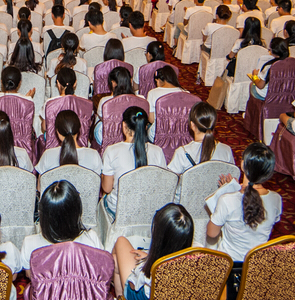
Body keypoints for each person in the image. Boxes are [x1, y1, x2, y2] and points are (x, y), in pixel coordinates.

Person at [207, 143, 282, 298]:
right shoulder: (276, 199)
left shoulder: (227, 200)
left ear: (242, 164)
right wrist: (235, 189)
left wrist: (225, 196)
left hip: (229, 268)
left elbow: (212, 233)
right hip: (257, 267)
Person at [112, 203, 194, 300]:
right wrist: (149, 257)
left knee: (120, 242)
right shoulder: (194, 263)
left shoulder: (153, 271)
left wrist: (145, 264)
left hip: (141, 296)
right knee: (116, 262)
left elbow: (133, 285)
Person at [20, 180, 104, 270]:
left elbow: (30, 275)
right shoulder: (92, 240)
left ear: (43, 214)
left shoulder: (30, 245)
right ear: (77, 211)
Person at [101, 107, 167, 218]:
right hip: (149, 210)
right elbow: (162, 185)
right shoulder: (158, 151)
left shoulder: (112, 151)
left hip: (119, 211)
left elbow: (107, 188)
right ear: (145, 127)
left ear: (123, 126)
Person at [168, 102, 234, 174]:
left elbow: (170, 178)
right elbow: (232, 175)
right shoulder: (226, 150)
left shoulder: (182, 153)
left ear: (192, 125)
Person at [35, 109, 102, 174]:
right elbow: (97, 181)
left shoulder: (48, 155)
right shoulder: (94, 155)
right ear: (79, 129)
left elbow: (41, 181)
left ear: (57, 132)